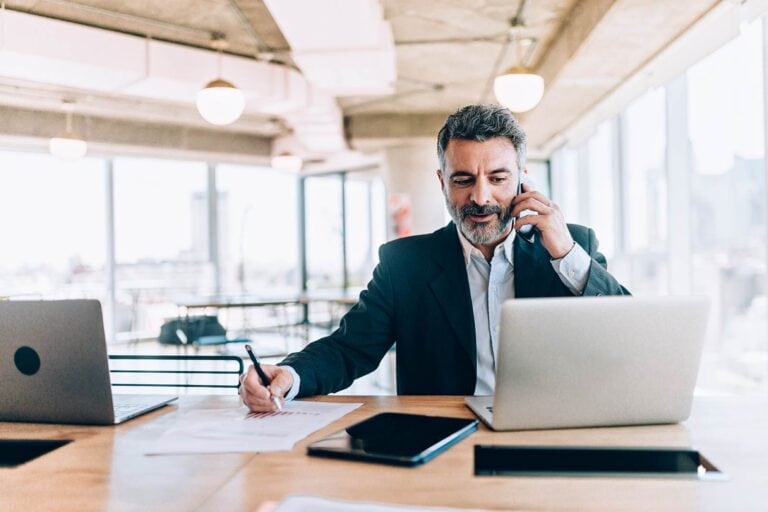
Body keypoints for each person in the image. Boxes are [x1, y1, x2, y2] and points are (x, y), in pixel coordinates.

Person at [241, 104, 630, 412]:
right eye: (463, 180)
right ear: (443, 182)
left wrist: (566, 255)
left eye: (497, 178)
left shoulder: (571, 245)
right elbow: (349, 349)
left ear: (521, 179)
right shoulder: (405, 264)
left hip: (552, 434)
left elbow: (625, 337)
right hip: (443, 439)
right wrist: (289, 375)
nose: (480, 197)